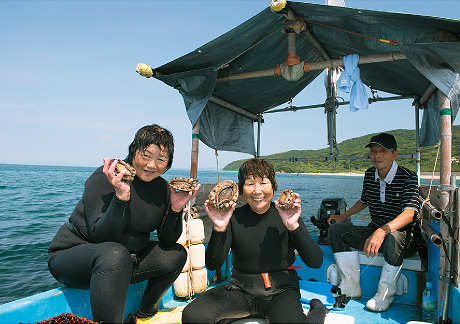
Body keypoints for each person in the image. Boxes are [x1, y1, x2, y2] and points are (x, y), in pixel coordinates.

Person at [48, 124, 200, 323]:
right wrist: (121, 196)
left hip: (122, 262)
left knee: (176, 255)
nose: (152, 165)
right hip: (73, 257)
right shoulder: (106, 178)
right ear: (133, 150)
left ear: (168, 163)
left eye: (161, 159)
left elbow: (168, 240)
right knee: (114, 253)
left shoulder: (162, 189)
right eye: (146, 156)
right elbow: (100, 236)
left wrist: (175, 209)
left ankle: (144, 314)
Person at [182, 158, 327, 324]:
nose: (257, 191)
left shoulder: (287, 215)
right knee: (192, 316)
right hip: (241, 290)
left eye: (264, 183)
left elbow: (316, 262)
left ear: (274, 186)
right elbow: (213, 264)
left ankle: (318, 310)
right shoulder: (233, 217)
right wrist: (219, 228)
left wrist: (293, 225)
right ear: (241, 189)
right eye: (250, 184)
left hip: (281, 292)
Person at [327, 133, 421, 312]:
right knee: (337, 230)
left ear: (394, 154)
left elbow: (409, 214)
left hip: (404, 238)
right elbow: (364, 200)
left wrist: (382, 231)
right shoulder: (370, 174)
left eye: (383, 151)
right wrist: (342, 217)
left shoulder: (408, 177)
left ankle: (384, 294)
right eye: (373, 151)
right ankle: (351, 285)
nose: (377, 155)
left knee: (393, 237)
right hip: (376, 232)